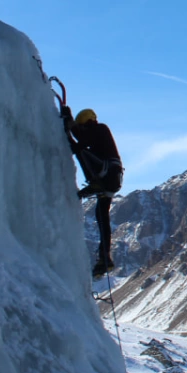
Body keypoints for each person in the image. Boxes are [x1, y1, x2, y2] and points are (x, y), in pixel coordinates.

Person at [61, 105, 123, 278]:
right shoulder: (97, 136)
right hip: (111, 178)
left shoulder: (99, 128)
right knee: (101, 215)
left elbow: (81, 141)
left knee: (82, 151)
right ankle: (105, 259)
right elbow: (78, 143)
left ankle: (95, 184)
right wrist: (69, 134)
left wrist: (69, 123)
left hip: (106, 173)